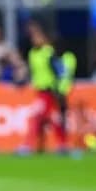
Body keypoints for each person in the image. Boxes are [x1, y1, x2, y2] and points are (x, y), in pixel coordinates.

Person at [24, 22, 67, 153]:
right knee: (47, 119)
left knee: (44, 118)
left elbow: (59, 70)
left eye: (38, 37)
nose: (35, 40)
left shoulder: (48, 52)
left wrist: (59, 88)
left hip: (49, 90)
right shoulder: (32, 53)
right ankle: (60, 145)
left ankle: (60, 145)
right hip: (40, 90)